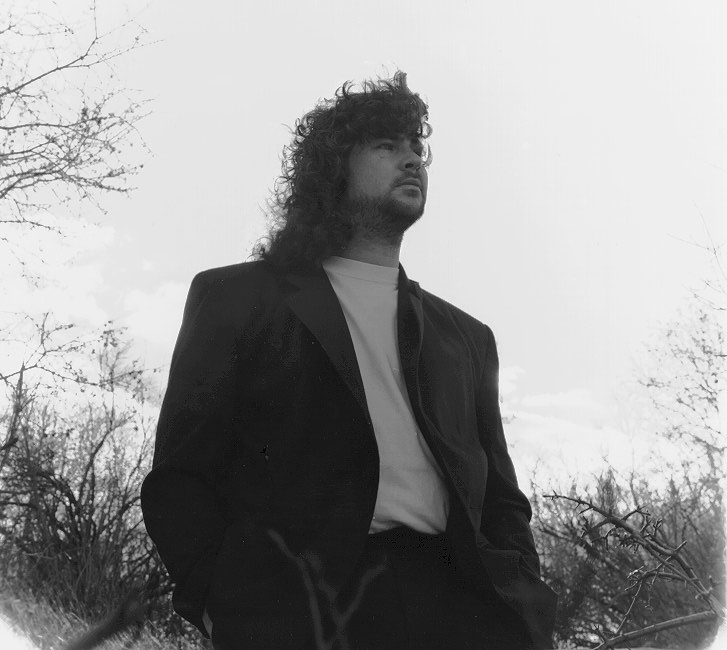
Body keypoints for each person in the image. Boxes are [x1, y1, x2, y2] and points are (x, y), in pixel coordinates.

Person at [141, 71, 557, 650]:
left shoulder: (467, 338)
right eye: (386, 145)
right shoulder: (237, 297)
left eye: (417, 147)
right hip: (304, 610)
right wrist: (222, 607)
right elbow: (180, 477)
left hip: (461, 611)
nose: (411, 160)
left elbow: (503, 504)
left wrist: (526, 613)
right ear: (333, 169)